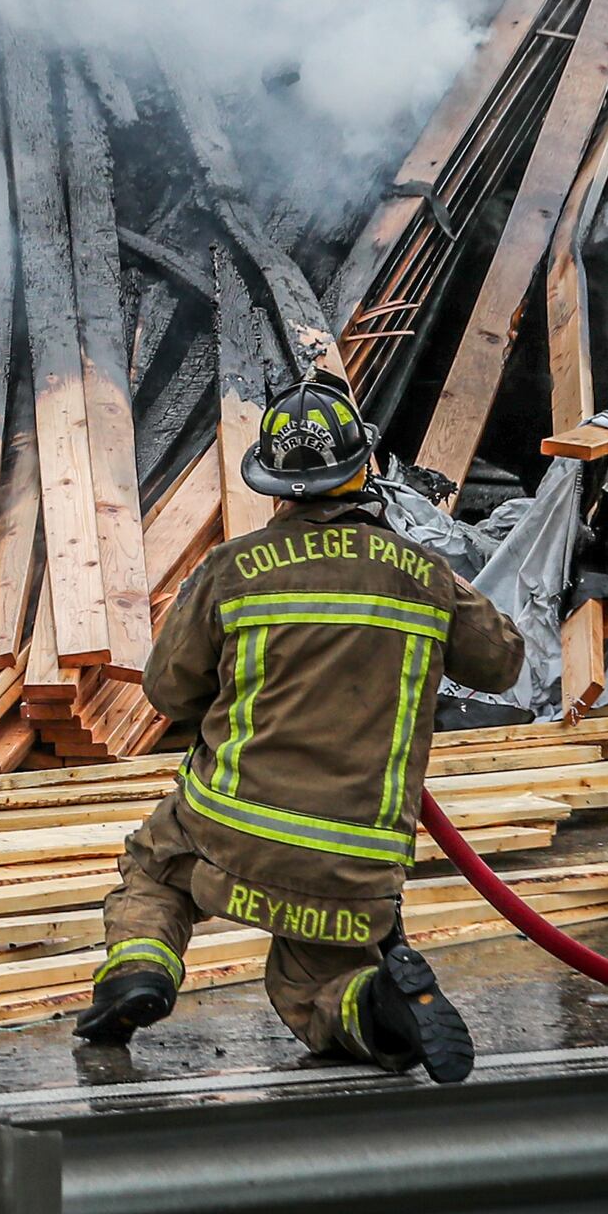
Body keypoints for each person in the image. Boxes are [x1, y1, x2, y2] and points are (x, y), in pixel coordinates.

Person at [75, 368, 524, 1082]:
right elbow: (502, 663)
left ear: (274, 485)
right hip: (358, 857)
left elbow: (165, 690)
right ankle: (376, 1003)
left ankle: (138, 974)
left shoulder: (232, 570)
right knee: (310, 987)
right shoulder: (423, 573)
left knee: (154, 869)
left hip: (232, 829)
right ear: (360, 473)